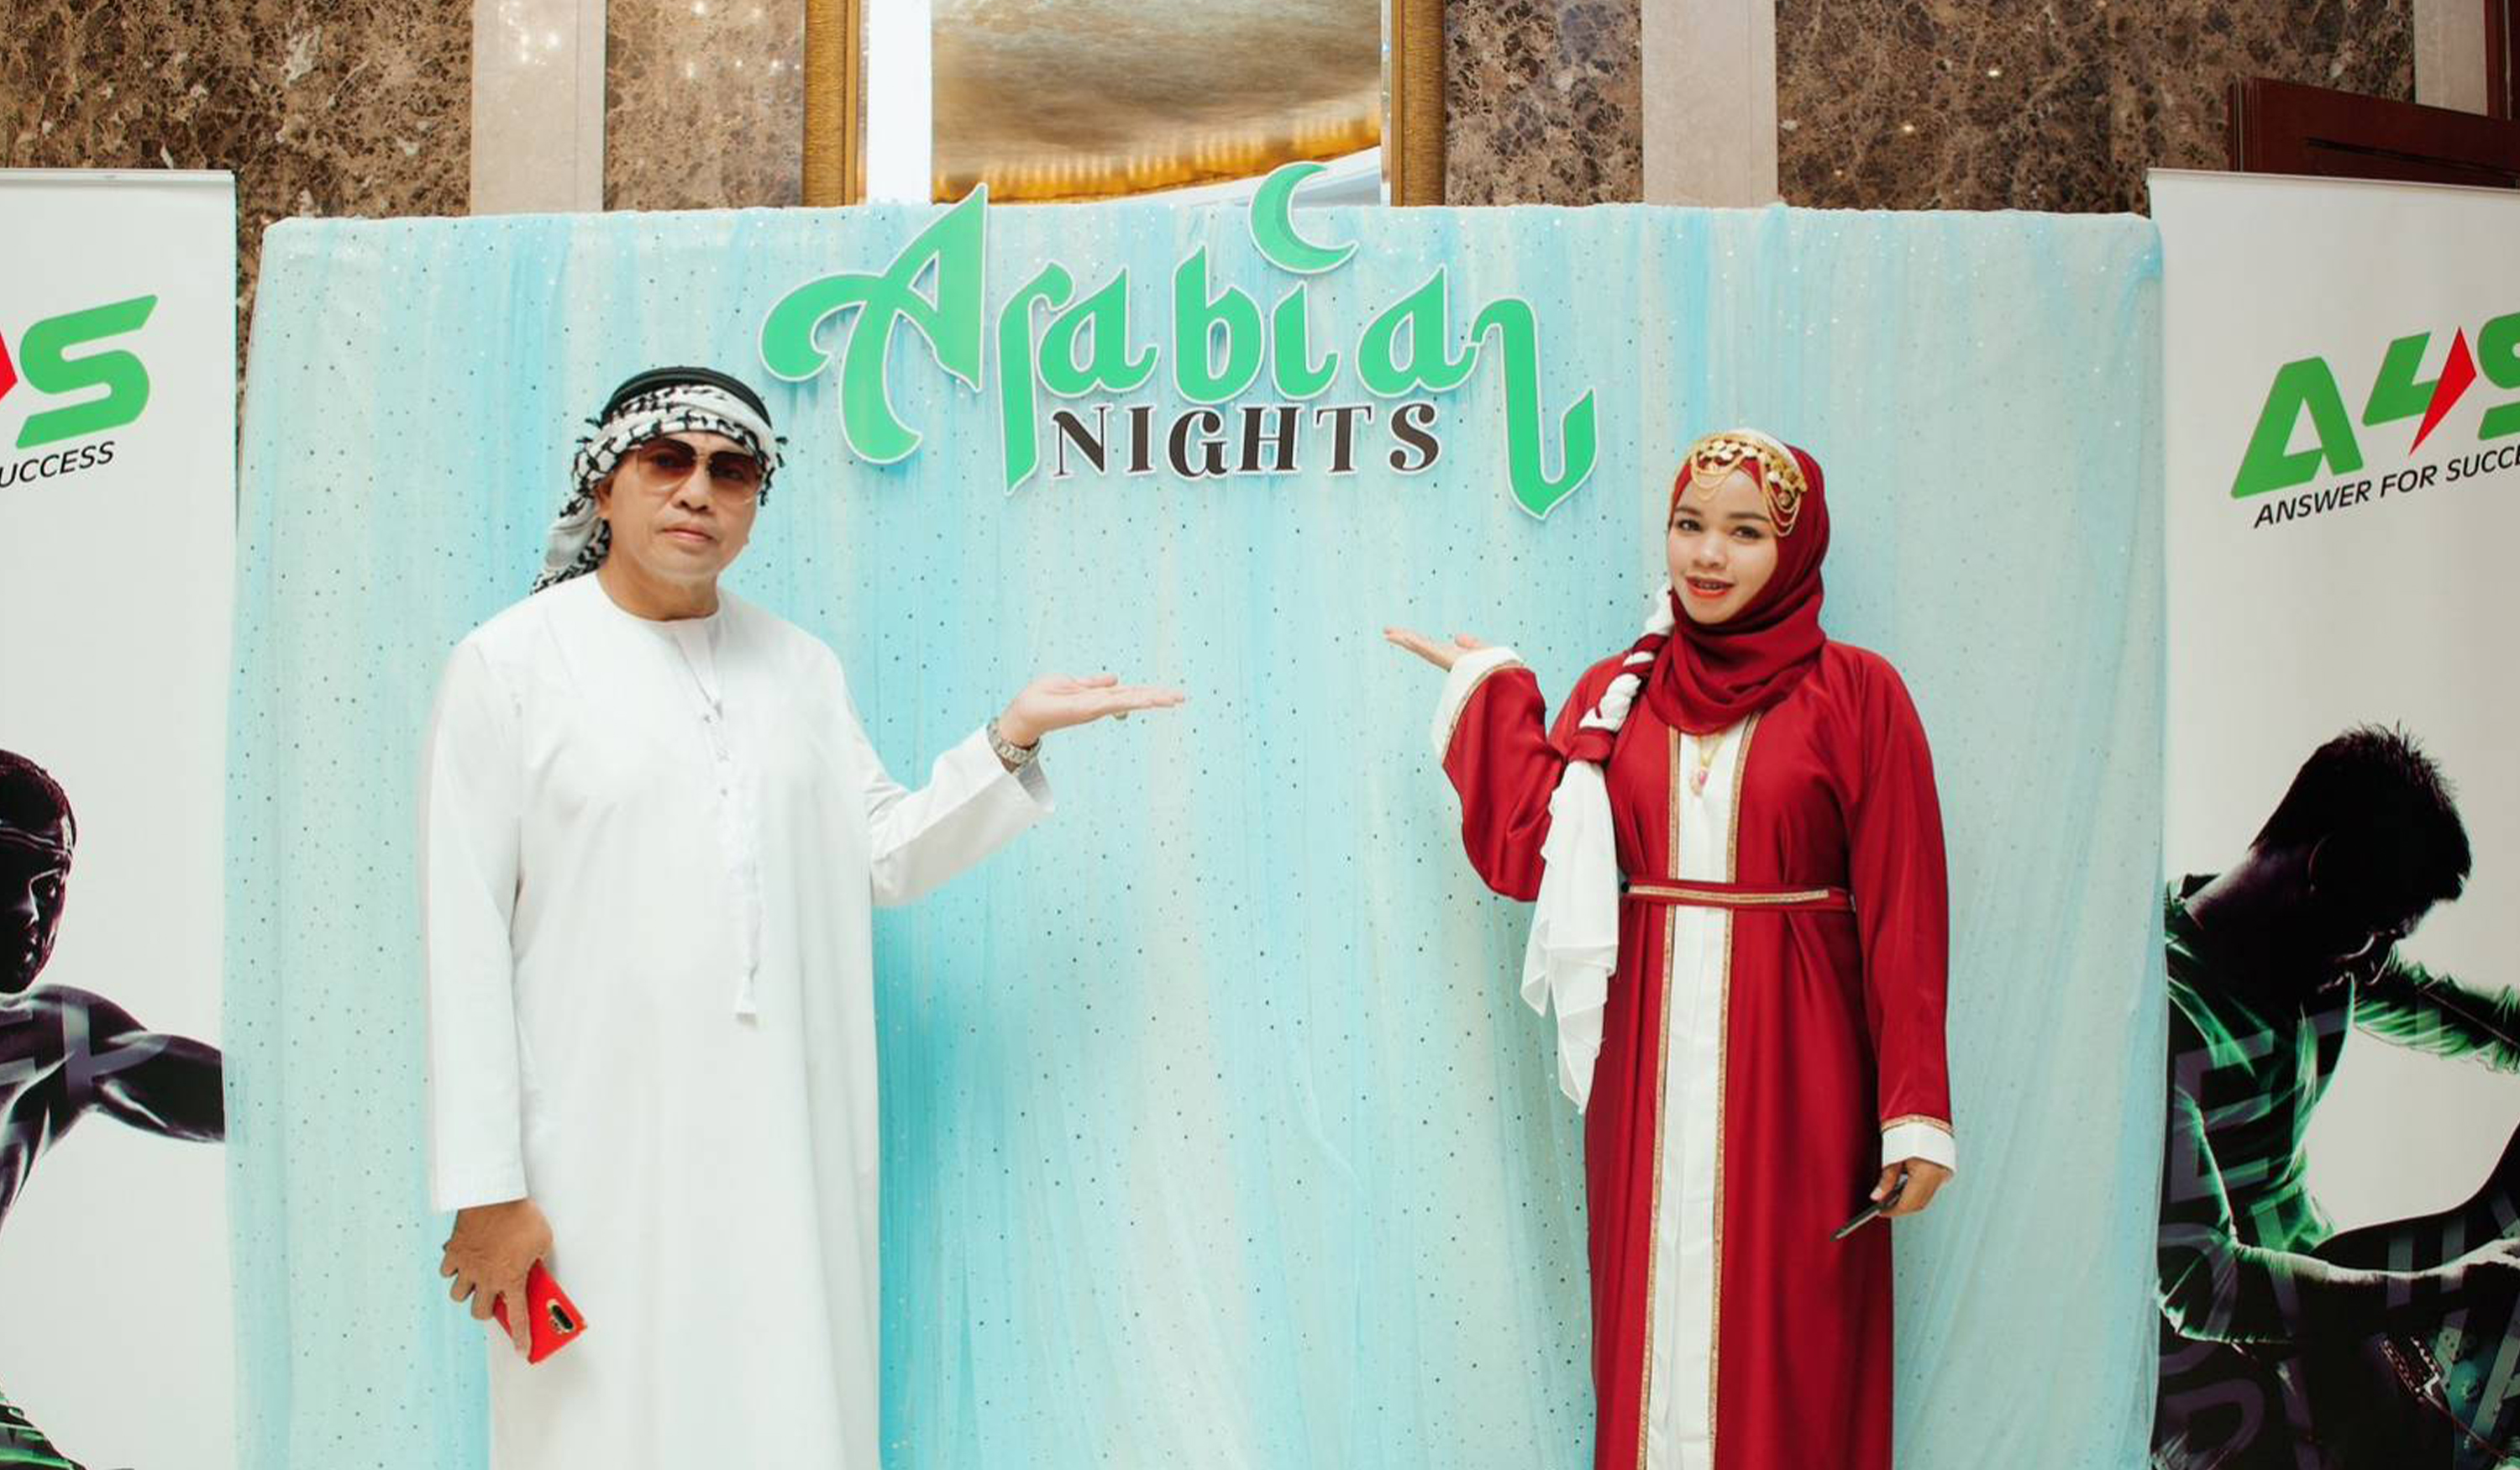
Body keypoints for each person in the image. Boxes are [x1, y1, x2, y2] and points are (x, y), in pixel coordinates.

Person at [423, 365, 1182, 1470]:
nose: (697, 490)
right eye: (667, 461)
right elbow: (463, 935)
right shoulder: (508, 665)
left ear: (754, 504)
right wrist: (488, 1189)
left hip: (788, 1142)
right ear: (604, 485)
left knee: (787, 1410)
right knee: (596, 1429)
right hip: (591, 1158)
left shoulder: (799, 667)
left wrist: (1012, 736)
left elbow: (879, 853)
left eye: (732, 471)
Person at [1387, 428, 1954, 1470]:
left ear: (1794, 547)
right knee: (1653, 1311)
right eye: (1689, 525)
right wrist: (1489, 687)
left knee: (1793, 1330)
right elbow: (1536, 846)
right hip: (1644, 1065)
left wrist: (1913, 1111)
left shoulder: (1857, 695)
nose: (1708, 554)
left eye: (1744, 531)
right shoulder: (1622, 692)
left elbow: (1905, 909)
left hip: (1804, 1068)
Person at [2155, 726, 2520, 1468]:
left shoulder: (2324, 960)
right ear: (2324, 868)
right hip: (2221, 1399)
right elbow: (2204, 1287)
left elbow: (2488, 1024)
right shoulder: (2162, 1015)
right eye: (2376, 932)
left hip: (2350, 1328)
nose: (2376, 965)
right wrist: (2445, 1287)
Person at [0, 748, 225, 1470]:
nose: (29, 911)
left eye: (48, 883)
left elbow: (253, 1105)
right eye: (3, 872)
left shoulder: (52, 1040)